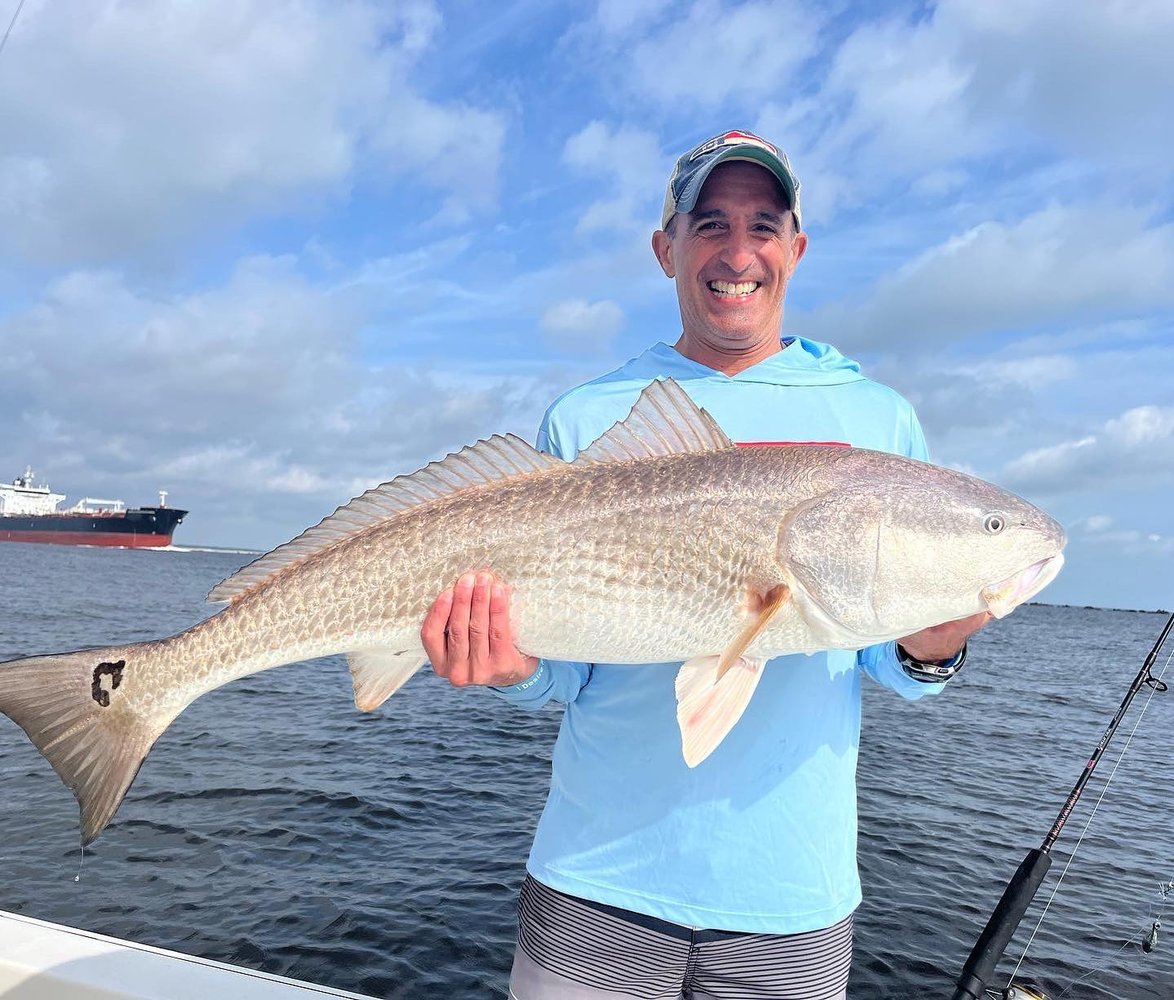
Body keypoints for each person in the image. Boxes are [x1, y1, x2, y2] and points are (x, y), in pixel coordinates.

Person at [421, 129, 989, 1000]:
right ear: (666, 249)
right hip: (597, 880)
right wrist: (510, 669)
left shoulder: (879, 420)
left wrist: (934, 648)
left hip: (793, 897)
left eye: (764, 225)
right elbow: (568, 674)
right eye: (709, 222)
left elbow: (889, 661)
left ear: (795, 250)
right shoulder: (589, 416)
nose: (738, 252)